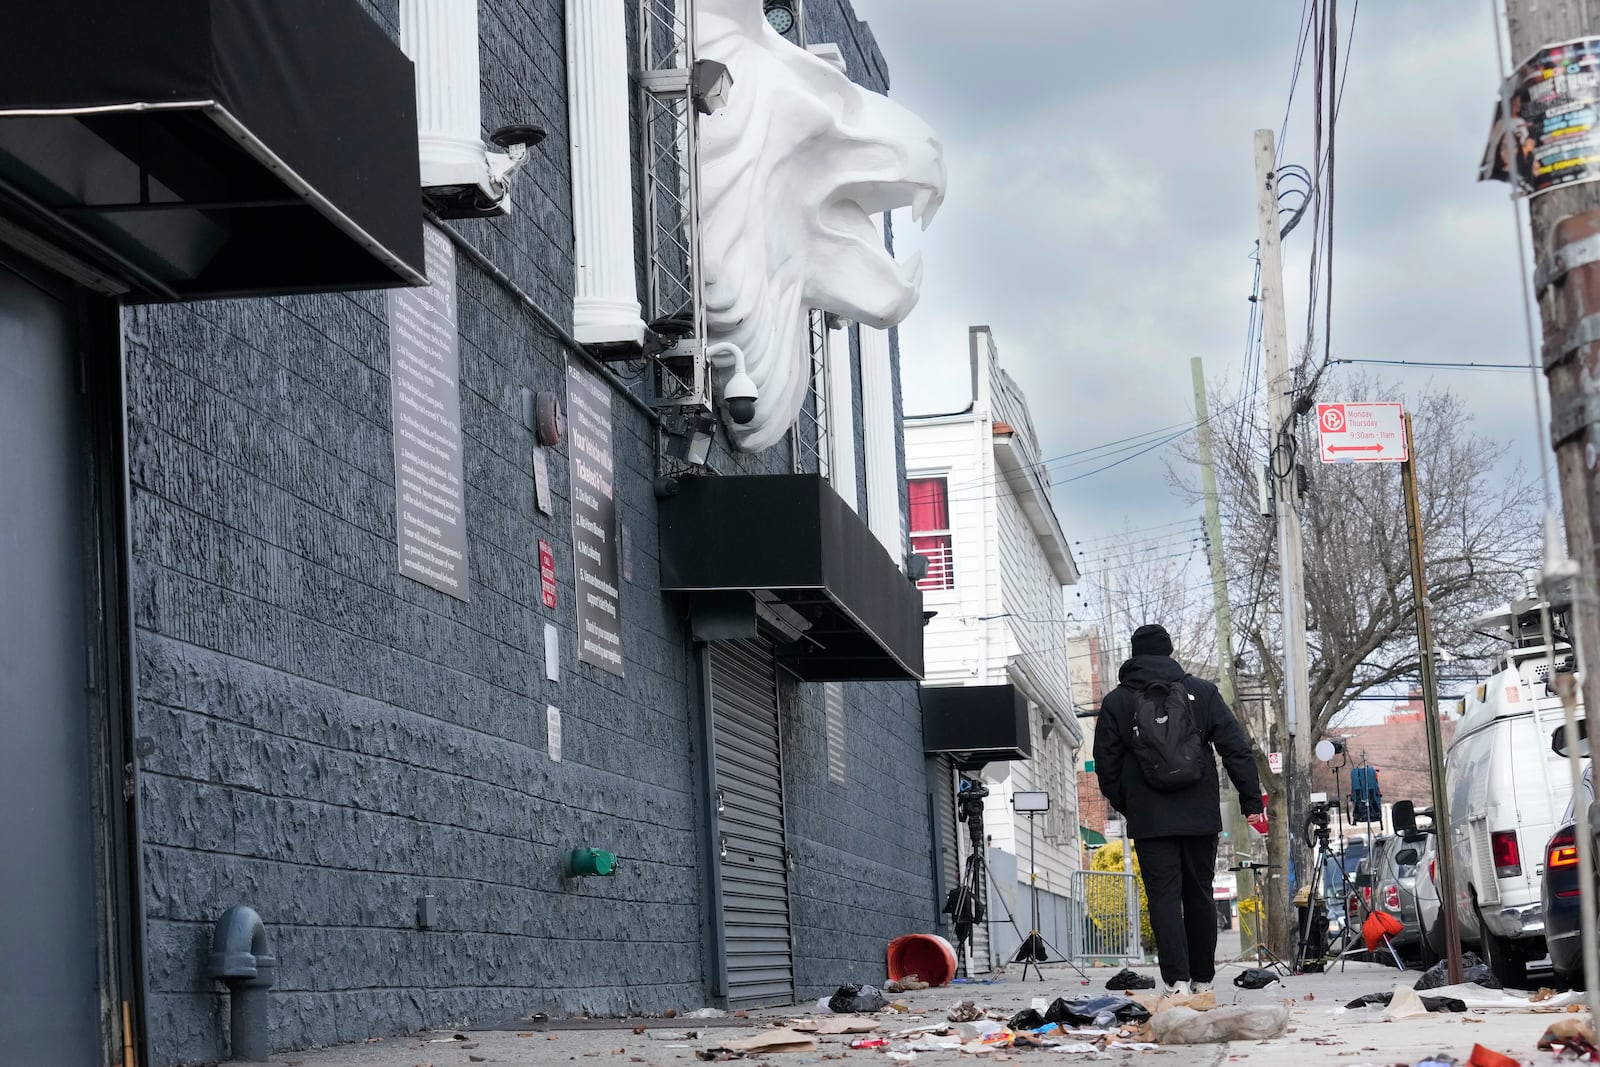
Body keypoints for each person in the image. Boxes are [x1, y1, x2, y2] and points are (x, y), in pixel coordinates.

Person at [1093, 624, 1267, 996]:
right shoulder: (1202, 692)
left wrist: (1130, 806)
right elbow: (1235, 748)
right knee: (1199, 893)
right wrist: (1250, 800)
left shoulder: (1117, 702)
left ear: (1134, 653)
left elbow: (1105, 768)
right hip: (1200, 813)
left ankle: (1175, 982)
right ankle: (1203, 980)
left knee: (1164, 896)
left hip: (1150, 818)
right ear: (1169, 650)